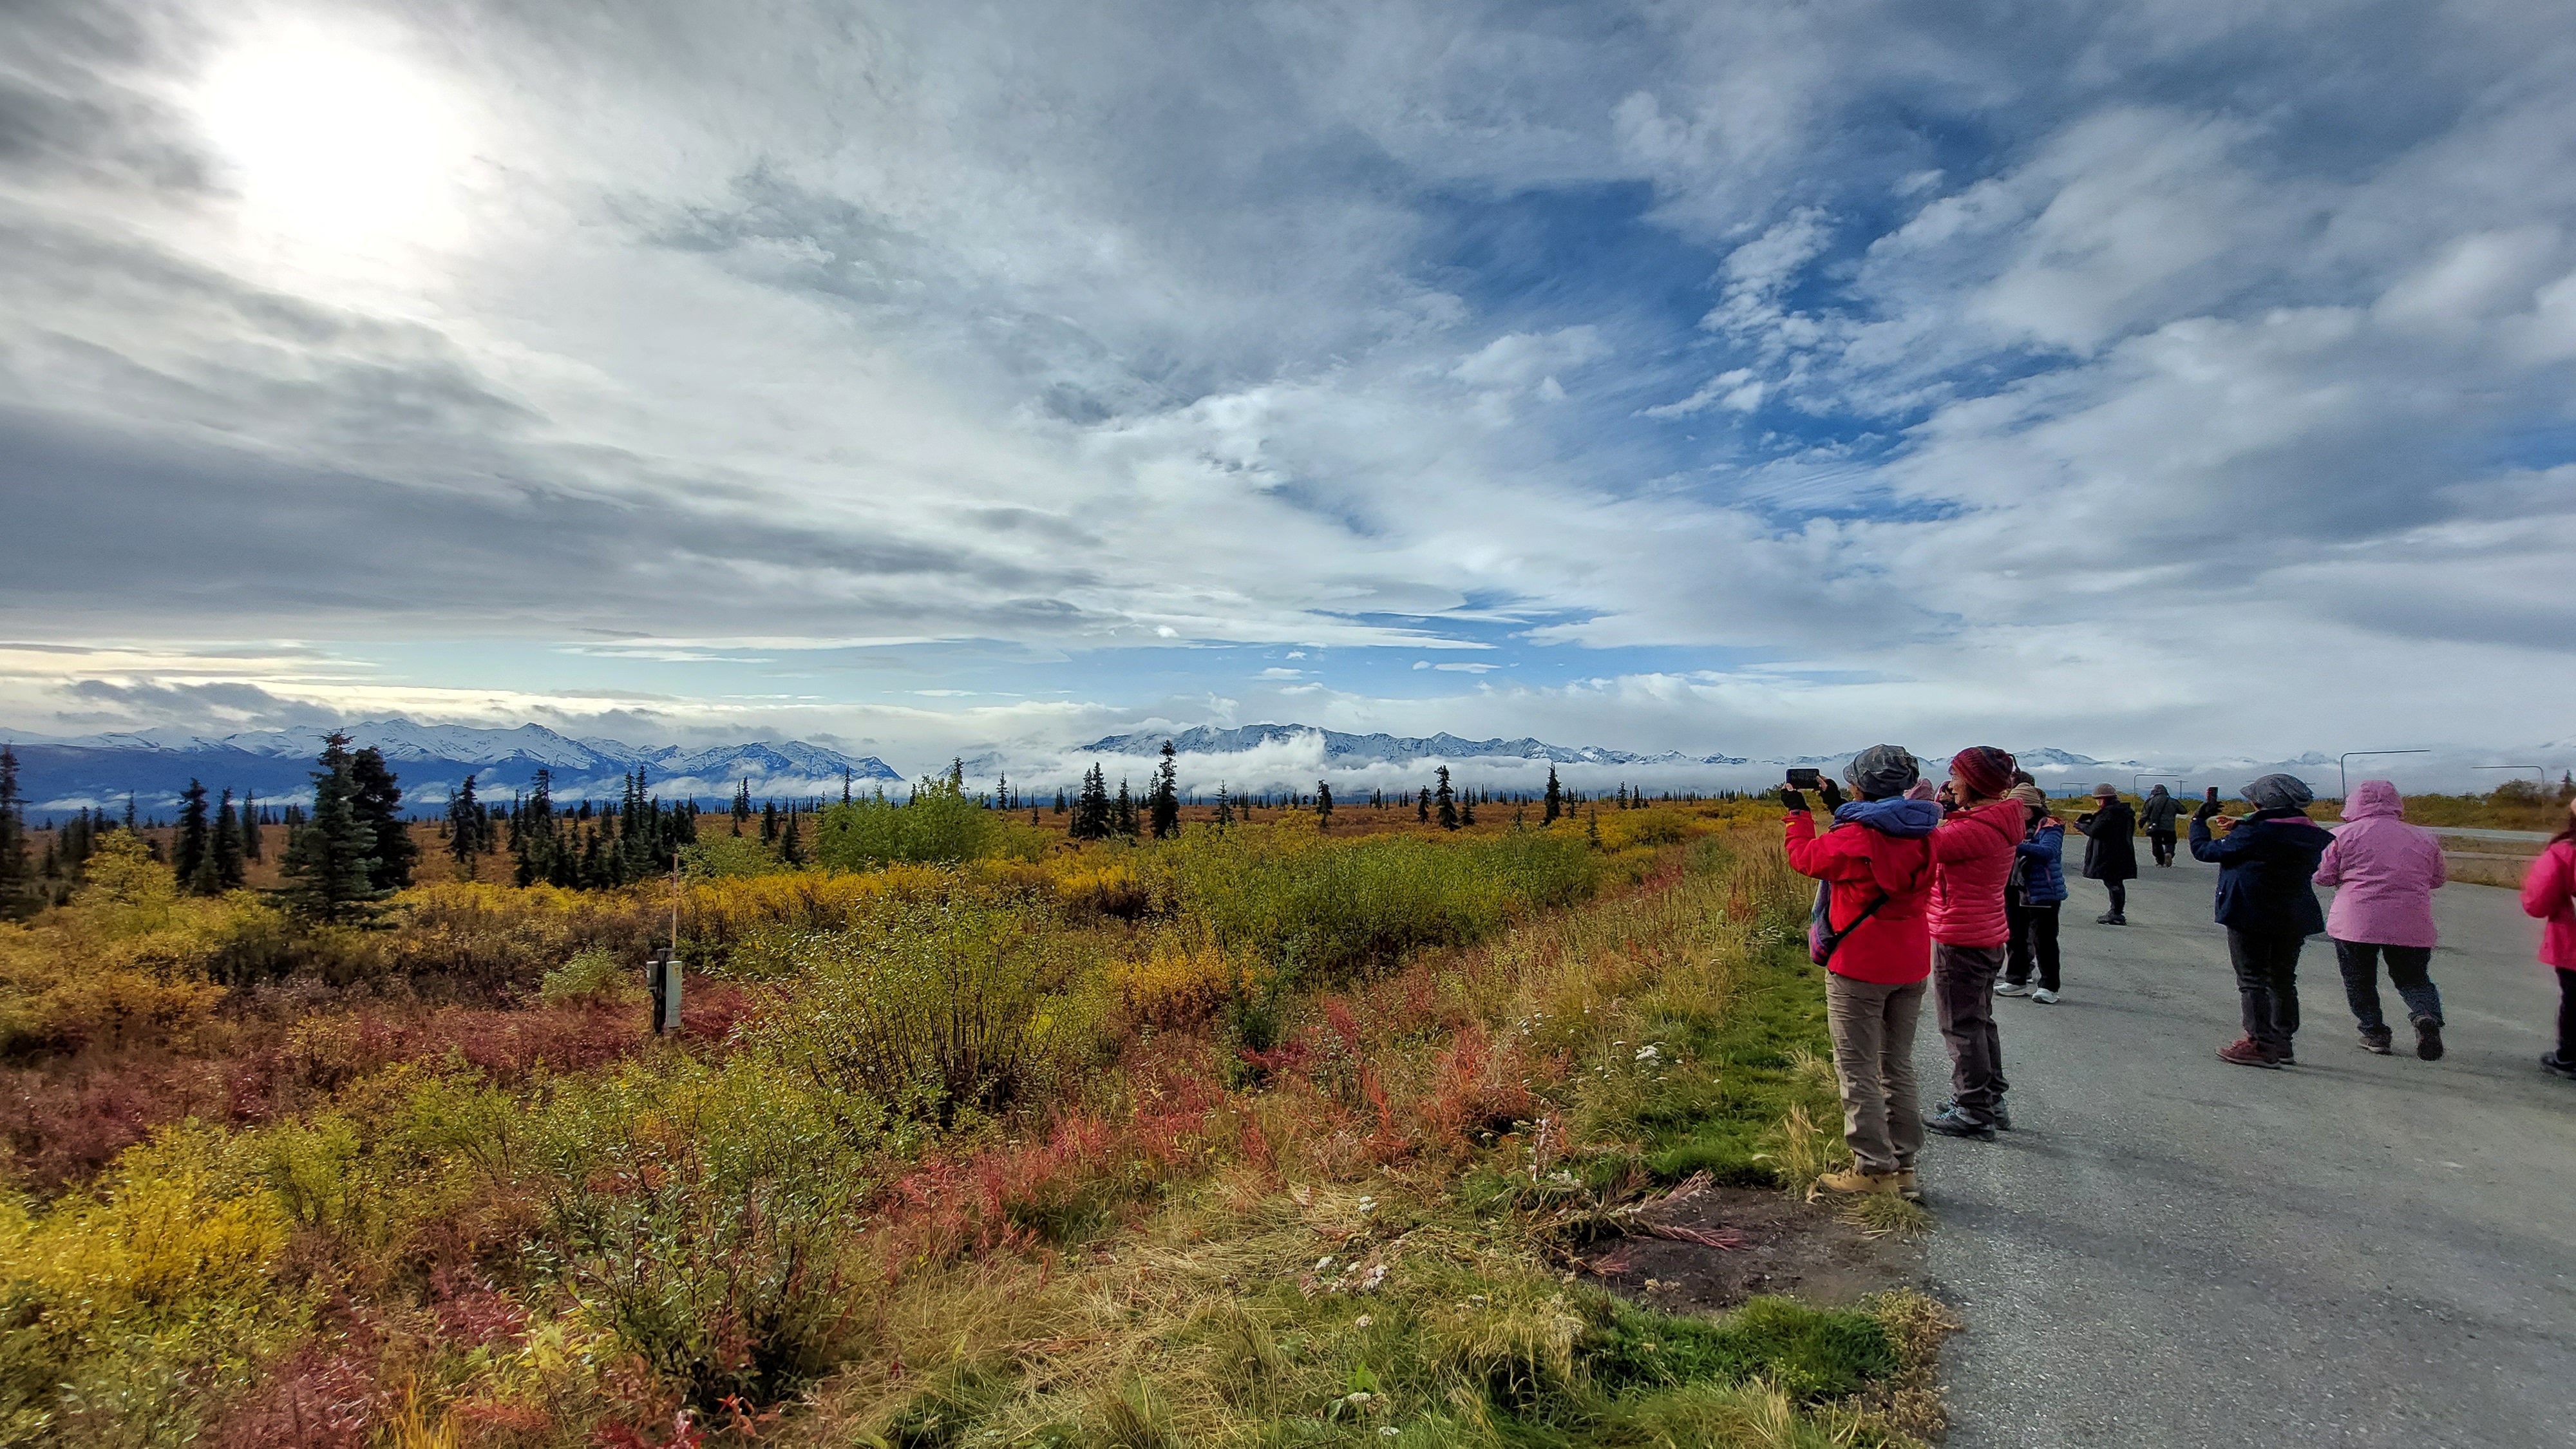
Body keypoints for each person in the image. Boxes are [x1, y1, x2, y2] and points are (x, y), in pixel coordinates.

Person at [1782, 745, 1940, 1197]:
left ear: (1860, 786)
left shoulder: (1857, 838)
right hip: (1911, 962)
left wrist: (1797, 814)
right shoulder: (1927, 831)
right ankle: (1904, 1168)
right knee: (1897, 1065)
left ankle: (1873, 1169)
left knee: (1857, 1068)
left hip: (1859, 965)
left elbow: (1805, 858)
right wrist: (1839, 806)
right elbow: (1884, 829)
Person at [2190, 774, 2334, 1068]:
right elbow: (2275, 834)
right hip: (2294, 913)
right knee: (2283, 979)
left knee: (2252, 978)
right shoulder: (2310, 833)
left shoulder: (2254, 834)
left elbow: (2205, 851)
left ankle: (2260, 1043)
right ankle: (2282, 1043)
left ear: (2261, 803)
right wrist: (2242, 826)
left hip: (2249, 911)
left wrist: (2198, 821)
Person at [1922, 746, 2025, 1141]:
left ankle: (1972, 1109)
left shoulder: (1971, 830)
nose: (1951, 784)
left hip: (1960, 936)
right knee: (1980, 1021)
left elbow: (1919, 847)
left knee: (1960, 1025)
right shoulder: (1998, 820)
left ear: (1975, 782)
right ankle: (1990, 1099)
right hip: (1984, 932)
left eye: (1956, 777)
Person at [2314, 779, 2447, 1059]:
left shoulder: (2340, 835)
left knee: (2359, 980)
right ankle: (2426, 1016)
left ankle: (2374, 1033)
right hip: (2411, 919)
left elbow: (2323, 877)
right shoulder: (2424, 837)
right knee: (2413, 979)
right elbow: (2436, 879)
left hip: (2356, 921)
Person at [1997, 784, 2067, 1003]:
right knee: (2015, 936)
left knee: (2043, 939)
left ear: (2031, 807)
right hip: (2014, 887)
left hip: (2042, 890)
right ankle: (2016, 980)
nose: (2015, 812)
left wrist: (2015, 845)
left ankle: (2049, 986)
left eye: (2019, 808)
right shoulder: (2011, 827)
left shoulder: (2050, 825)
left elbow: (2049, 851)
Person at [2522, 795, 2576, 1079]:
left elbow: (2538, 902)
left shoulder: (2564, 853)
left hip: (2573, 944)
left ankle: (2569, 1058)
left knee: (2575, 1001)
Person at [2077, 784, 2139, 923]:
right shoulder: (2124, 813)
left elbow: (2096, 831)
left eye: (2099, 800)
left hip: (2109, 854)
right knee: (2115, 882)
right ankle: (2116, 912)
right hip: (2122, 852)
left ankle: (2116, 913)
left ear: (2103, 799)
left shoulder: (2109, 813)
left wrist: (2082, 826)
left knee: (2113, 883)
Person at [2141, 784, 2181, 867]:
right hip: (2170, 827)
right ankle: (2169, 853)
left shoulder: (2151, 801)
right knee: (2170, 842)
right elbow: (2183, 810)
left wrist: (2141, 823)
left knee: (2157, 843)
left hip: (2156, 827)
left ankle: (2160, 861)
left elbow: (2145, 814)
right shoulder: (2172, 801)